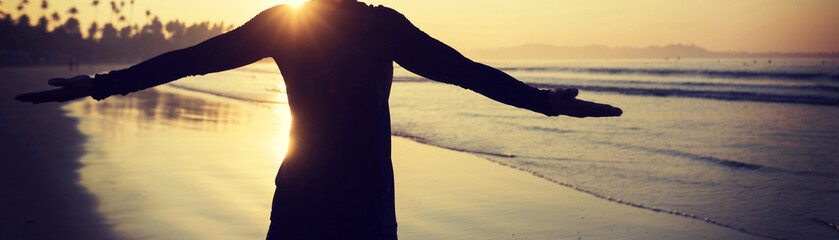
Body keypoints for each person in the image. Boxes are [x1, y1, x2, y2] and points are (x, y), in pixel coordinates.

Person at [16, 0, 622, 239]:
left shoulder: (289, 23)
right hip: (360, 199)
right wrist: (542, 102)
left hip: (306, 191)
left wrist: (101, 86)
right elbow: (467, 72)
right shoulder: (379, 25)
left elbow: (191, 61)